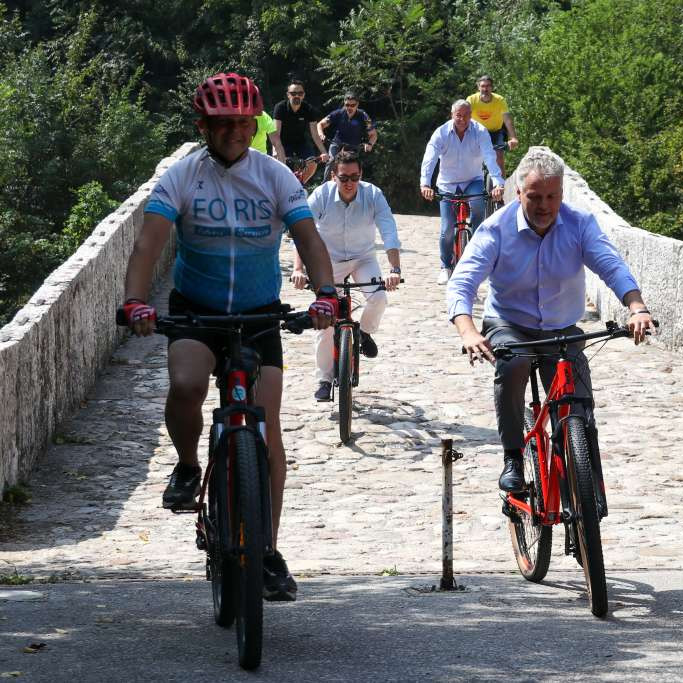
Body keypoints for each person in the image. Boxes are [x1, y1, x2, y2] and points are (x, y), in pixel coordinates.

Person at [119, 72, 339, 602]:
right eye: (224, 124)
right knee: (188, 385)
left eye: (243, 122)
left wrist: (328, 296)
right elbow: (147, 247)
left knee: (268, 432)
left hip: (260, 313)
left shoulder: (275, 176)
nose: (235, 132)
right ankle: (190, 464)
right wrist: (135, 301)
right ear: (205, 126)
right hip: (197, 310)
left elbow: (309, 239)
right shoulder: (181, 177)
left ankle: (266, 550)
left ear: (254, 123)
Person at [446, 147, 655, 492]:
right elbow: (463, 281)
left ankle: (587, 480)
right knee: (514, 365)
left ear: (561, 194)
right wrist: (468, 331)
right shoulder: (496, 230)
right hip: (510, 323)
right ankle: (513, 456)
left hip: (562, 328)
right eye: (535, 197)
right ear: (518, 193)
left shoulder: (579, 224)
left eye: (551, 197)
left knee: (579, 401)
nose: (544, 205)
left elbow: (610, 265)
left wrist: (637, 307)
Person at [291, 151, 402, 401]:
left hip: (363, 258)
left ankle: (363, 332)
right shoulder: (320, 196)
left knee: (379, 297)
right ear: (333, 176)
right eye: (344, 178)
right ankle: (323, 379)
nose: (349, 182)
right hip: (327, 262)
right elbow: (303, 233)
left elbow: (389, 232)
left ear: (361, 175)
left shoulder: (373, 195)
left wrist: (395, 270)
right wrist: (299, 270)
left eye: (355, 177)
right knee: (325, 317)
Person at [420, 99, 505, 285]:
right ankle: (445, 266)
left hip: (472, 180)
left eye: (466, 115)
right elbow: (430, 158)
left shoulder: (480, 132)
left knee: (478, 209)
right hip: (447, 184)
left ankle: (474, 253)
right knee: (447, 229)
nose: (462, 119)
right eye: (458, 115)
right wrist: (425, 184)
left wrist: (498, 182)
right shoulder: (441, 133)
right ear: (452, 115)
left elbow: (490, 157)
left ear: (471, 115)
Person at [272, 79, 329, 183]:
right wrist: (275, 151)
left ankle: (300, 184)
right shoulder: (280, 108)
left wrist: (324, 152)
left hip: (301, 142)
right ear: (288, 95)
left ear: (303, 95)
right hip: (283, 143)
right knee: (281, 167)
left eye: (300, 93)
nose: (296, 96)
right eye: (293, 93)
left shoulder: (308, 109)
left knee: (312, 163)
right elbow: (276, 134)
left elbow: (315, 135)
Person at [466, 75, 519, 176]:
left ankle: (502, 187)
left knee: (499, 157)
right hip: (477, 132)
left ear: (492, 87)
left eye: (488, 86)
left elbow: (507, 119)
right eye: (483, 86)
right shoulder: (471, 99)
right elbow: (464, 116)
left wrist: (513, 137)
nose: (485, 89)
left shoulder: (499, 100)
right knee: (470, 157)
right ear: (478, 87)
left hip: (495, 132)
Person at [317, 92, 378, 159]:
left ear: (357, 104)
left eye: (352, 105)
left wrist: (370, 144)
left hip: (353, 147)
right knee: (330, 163)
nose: (349, 107)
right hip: (337, 144)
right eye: (347, 105)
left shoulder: (364, 116)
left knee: (351, 167)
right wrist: (321, 135)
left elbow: (373, 134)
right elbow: (320, 124)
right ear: (344, 103)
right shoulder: (338, 113)